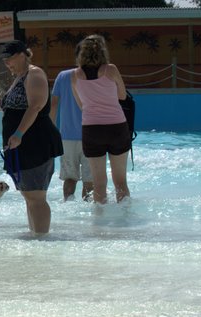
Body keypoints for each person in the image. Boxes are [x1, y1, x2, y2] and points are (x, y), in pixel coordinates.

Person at [0, 40, 63, 235]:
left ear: (21, 54)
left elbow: (36, 105)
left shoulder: (34, 73)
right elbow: (18, 106)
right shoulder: (19, 76)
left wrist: (18, 133)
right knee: (29, 195)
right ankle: (35, 235)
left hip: (35, 142)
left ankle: (42, 239)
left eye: (9, 58)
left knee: (36, 196)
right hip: (22, 144)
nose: (6, 63)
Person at [71, 34, 130, 204]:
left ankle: (99, 223)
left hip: (92, 128)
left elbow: (81, 104)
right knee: (120, 182)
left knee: (98, 183)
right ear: (103, 51)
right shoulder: (111, 70)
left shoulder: (75, 75)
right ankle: (125, 219)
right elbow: (122, 95)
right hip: (116, 127)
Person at [50, 44, 93, 201]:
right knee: (90, 181)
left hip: (67, 137)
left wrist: (51, 131)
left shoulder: (63, 76)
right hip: (91, 135)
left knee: (69, 178)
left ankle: (69, 211)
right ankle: (90, 217)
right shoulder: (97, 76)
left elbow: (54, 104)